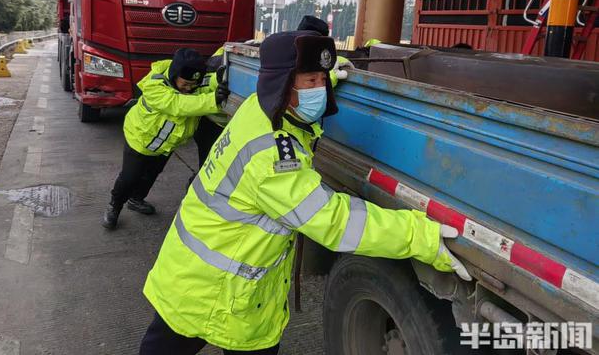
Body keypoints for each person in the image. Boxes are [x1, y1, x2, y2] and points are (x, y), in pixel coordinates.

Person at [138, 31, 470, 354]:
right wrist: (420, 236)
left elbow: (303, 86)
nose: (319, 89)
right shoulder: (271, 156)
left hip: (220, 282)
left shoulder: (261, 106)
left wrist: (329, 73)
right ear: (282, 84)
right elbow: (334, 221)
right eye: (309, 81)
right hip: (210, 288)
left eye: (321, 80)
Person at [102, 48, 229, 229]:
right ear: (173, 75)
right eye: (184, 84)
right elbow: (178, 105)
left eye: (193, 84)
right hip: (140, 140)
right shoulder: (155, 86)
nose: (189, 88)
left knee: (151, 175)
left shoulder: (190, 82)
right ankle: (114, 206)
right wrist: (214, 100)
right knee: (129, 177)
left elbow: (206, 83)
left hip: (165, 145)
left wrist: (221, 79)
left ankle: (136, 199)